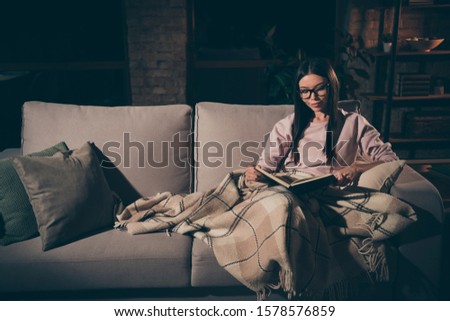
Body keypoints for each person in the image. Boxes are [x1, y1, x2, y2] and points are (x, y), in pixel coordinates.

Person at [245, 57, 398, 186]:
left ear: (332, 86)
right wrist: (256, 173)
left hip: (328, 192)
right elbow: (266, 168)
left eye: (319, 89)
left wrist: (356, 168)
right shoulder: (287, 125)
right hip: (291, 187)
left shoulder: (354, 123)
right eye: (305, 91)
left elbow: (390, 161)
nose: (313, 97)